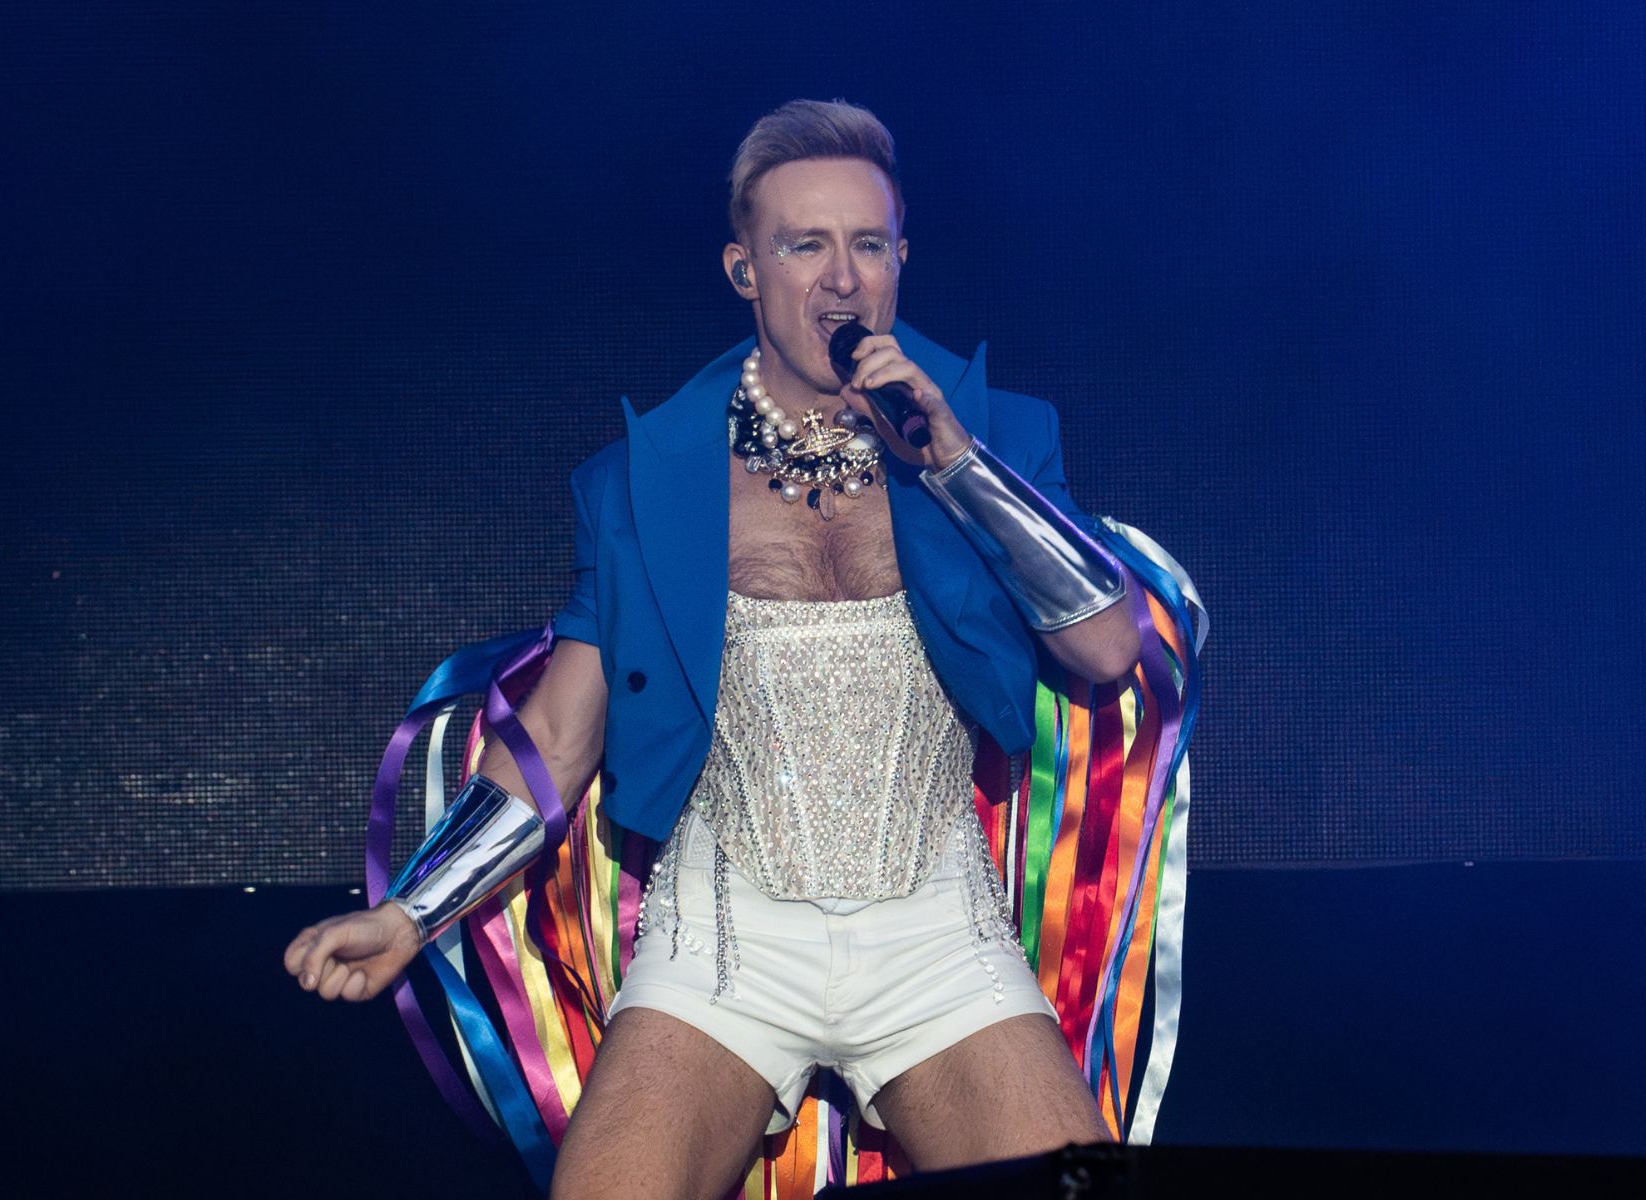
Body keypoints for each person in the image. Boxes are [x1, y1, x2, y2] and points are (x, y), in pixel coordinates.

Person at [285, 99, 1156, 1200]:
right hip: (726, 944)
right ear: (746, 270)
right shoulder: (645, 482)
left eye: (867, 245)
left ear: (899, 261)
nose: (841, 279)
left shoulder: (988, 436)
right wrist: (412, 910)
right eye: (806, 245)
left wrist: (948, 456)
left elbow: (1106, 645)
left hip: (938, 936)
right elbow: (557, 734)